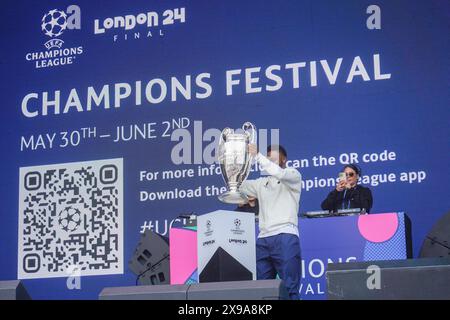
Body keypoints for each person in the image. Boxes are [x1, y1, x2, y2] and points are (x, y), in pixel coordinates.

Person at [240, 144, 302, 300]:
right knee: (263, 290)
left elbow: (278, 173)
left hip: (285, 236)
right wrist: (233, 166)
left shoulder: (293, 175)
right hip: (263, 239)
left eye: (274, 156)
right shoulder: (261, 183)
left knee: (290, 288)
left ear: (284, 159)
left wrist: (257, 156)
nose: (270, 159)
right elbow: (239, 186)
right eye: (269, 156)